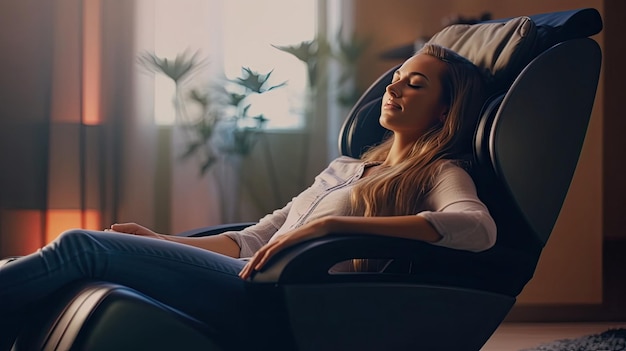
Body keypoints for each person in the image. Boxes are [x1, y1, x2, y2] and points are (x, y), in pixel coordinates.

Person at [0, 43, 495, 347]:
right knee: (72, 259)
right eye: (395, 78)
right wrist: (159, 239)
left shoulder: (436, 172)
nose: (394, 89)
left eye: (415, 84)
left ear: (442, 109)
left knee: (82, 248)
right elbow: (252, 238)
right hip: (247, 271)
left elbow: (477, 229)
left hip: (284, 298)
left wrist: (335, 226)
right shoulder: (346, 167)